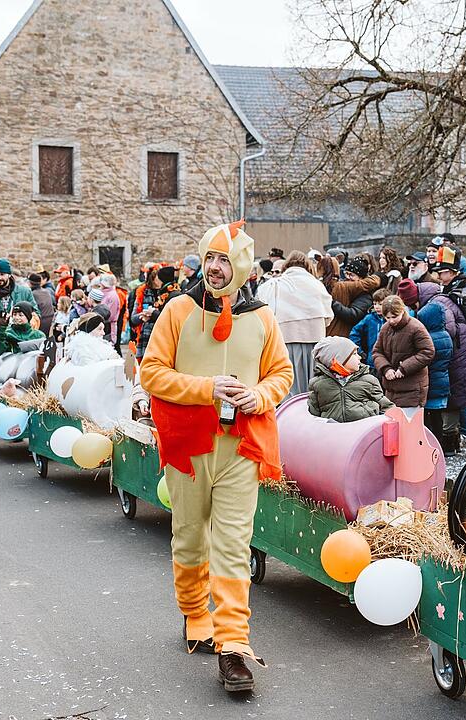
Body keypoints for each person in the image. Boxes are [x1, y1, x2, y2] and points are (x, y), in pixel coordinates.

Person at [141, 222, 292, 693]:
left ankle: (234, 646)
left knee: (232, 544)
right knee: (190, 537)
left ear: (243, 267)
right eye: (209, 258)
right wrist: (206, 389)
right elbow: (152, 373)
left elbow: (282, 374)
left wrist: (260, 396)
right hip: (189, 447)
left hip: (241, 448)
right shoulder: (178, 310)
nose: (214, 267)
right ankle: (194, 614)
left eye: (224, 259)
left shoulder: (264, 319)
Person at [406, 279, 466, 450]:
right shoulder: (439, 299)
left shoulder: (437, 304)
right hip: (463, 351)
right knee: (460, 395)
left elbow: (448, 331)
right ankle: (459, 436)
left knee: (456, 398)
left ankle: (455, 438)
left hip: (460, 354)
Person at [256, 251, 333, 397]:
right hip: (314, 343)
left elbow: (262, 311)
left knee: (286, 387)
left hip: (283, 342)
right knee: (311, 391)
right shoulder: (316, 285)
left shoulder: (273, 284)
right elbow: (328, 316)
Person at [307, 335, 392, 422]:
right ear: (339, 360)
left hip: (364, 431)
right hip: (334, 432)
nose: (360, 357)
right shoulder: (318, 384)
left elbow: (387, 407)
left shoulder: (368, 380)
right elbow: (313, 415)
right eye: (354, 354)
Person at [371, 295, 435, 409]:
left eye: (394, 317)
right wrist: (385, 368)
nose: (391, 321)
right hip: (391, 390)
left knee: (409, 425)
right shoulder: (385, 328)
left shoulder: (416, 327)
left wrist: (404, 368)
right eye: (387, 317)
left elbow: (427, 352)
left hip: (412, 390)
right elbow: (377, 351)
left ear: (402, 311)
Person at [418, 301, 456, 453]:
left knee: (428, 419)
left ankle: (430, 446)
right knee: (437, 417)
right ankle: (438, 446)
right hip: (441, 382)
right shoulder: (445, 335)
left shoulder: (430, 338)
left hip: (431, 383)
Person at [327, 257, 381, 337]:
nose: (347, 277)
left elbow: (353, 315)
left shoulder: (365, 295)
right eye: (346, 273)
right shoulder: (346, 287)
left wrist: (333, 303)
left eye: (351, 275)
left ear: (361, 278)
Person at [128, 265, 164, 361]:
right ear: (152, 279)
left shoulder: (167, 292)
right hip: (146, 336)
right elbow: (133, 318)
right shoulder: (142, 293)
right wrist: (142, 316)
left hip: (161, 336)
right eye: (158, 278)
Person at [349, 288, 391, 367]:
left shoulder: (391, 320)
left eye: (380, 304)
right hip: (371, 361)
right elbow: (354, 333)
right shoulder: (369, 318)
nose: (377, 307)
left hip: (389, 361)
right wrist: (359, 350)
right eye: (375, 304)